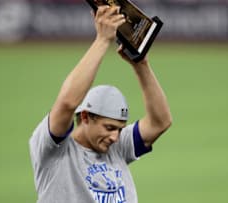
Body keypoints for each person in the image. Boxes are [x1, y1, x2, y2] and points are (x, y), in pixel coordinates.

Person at [29, 5, 172, 203]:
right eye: (109, 127)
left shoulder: (117, 147)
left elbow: (160, 122)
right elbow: (67, 103)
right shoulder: (54, 149)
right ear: (86, 116)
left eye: (119, 129)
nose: (115, 137)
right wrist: (103, 40)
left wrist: (141, 65)